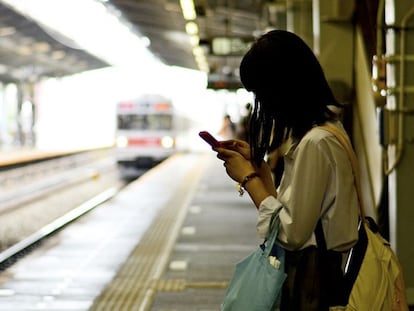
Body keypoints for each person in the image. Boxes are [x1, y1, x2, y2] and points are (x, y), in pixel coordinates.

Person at [213, 30, 359, 310]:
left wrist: (248, 178)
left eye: (261, 92)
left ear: (281, 89)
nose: (261, 104)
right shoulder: (325, 133)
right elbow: (296, 208)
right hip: (323, 275)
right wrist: (261, 169)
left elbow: (290, 233)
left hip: (314, 283)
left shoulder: (316, 143)